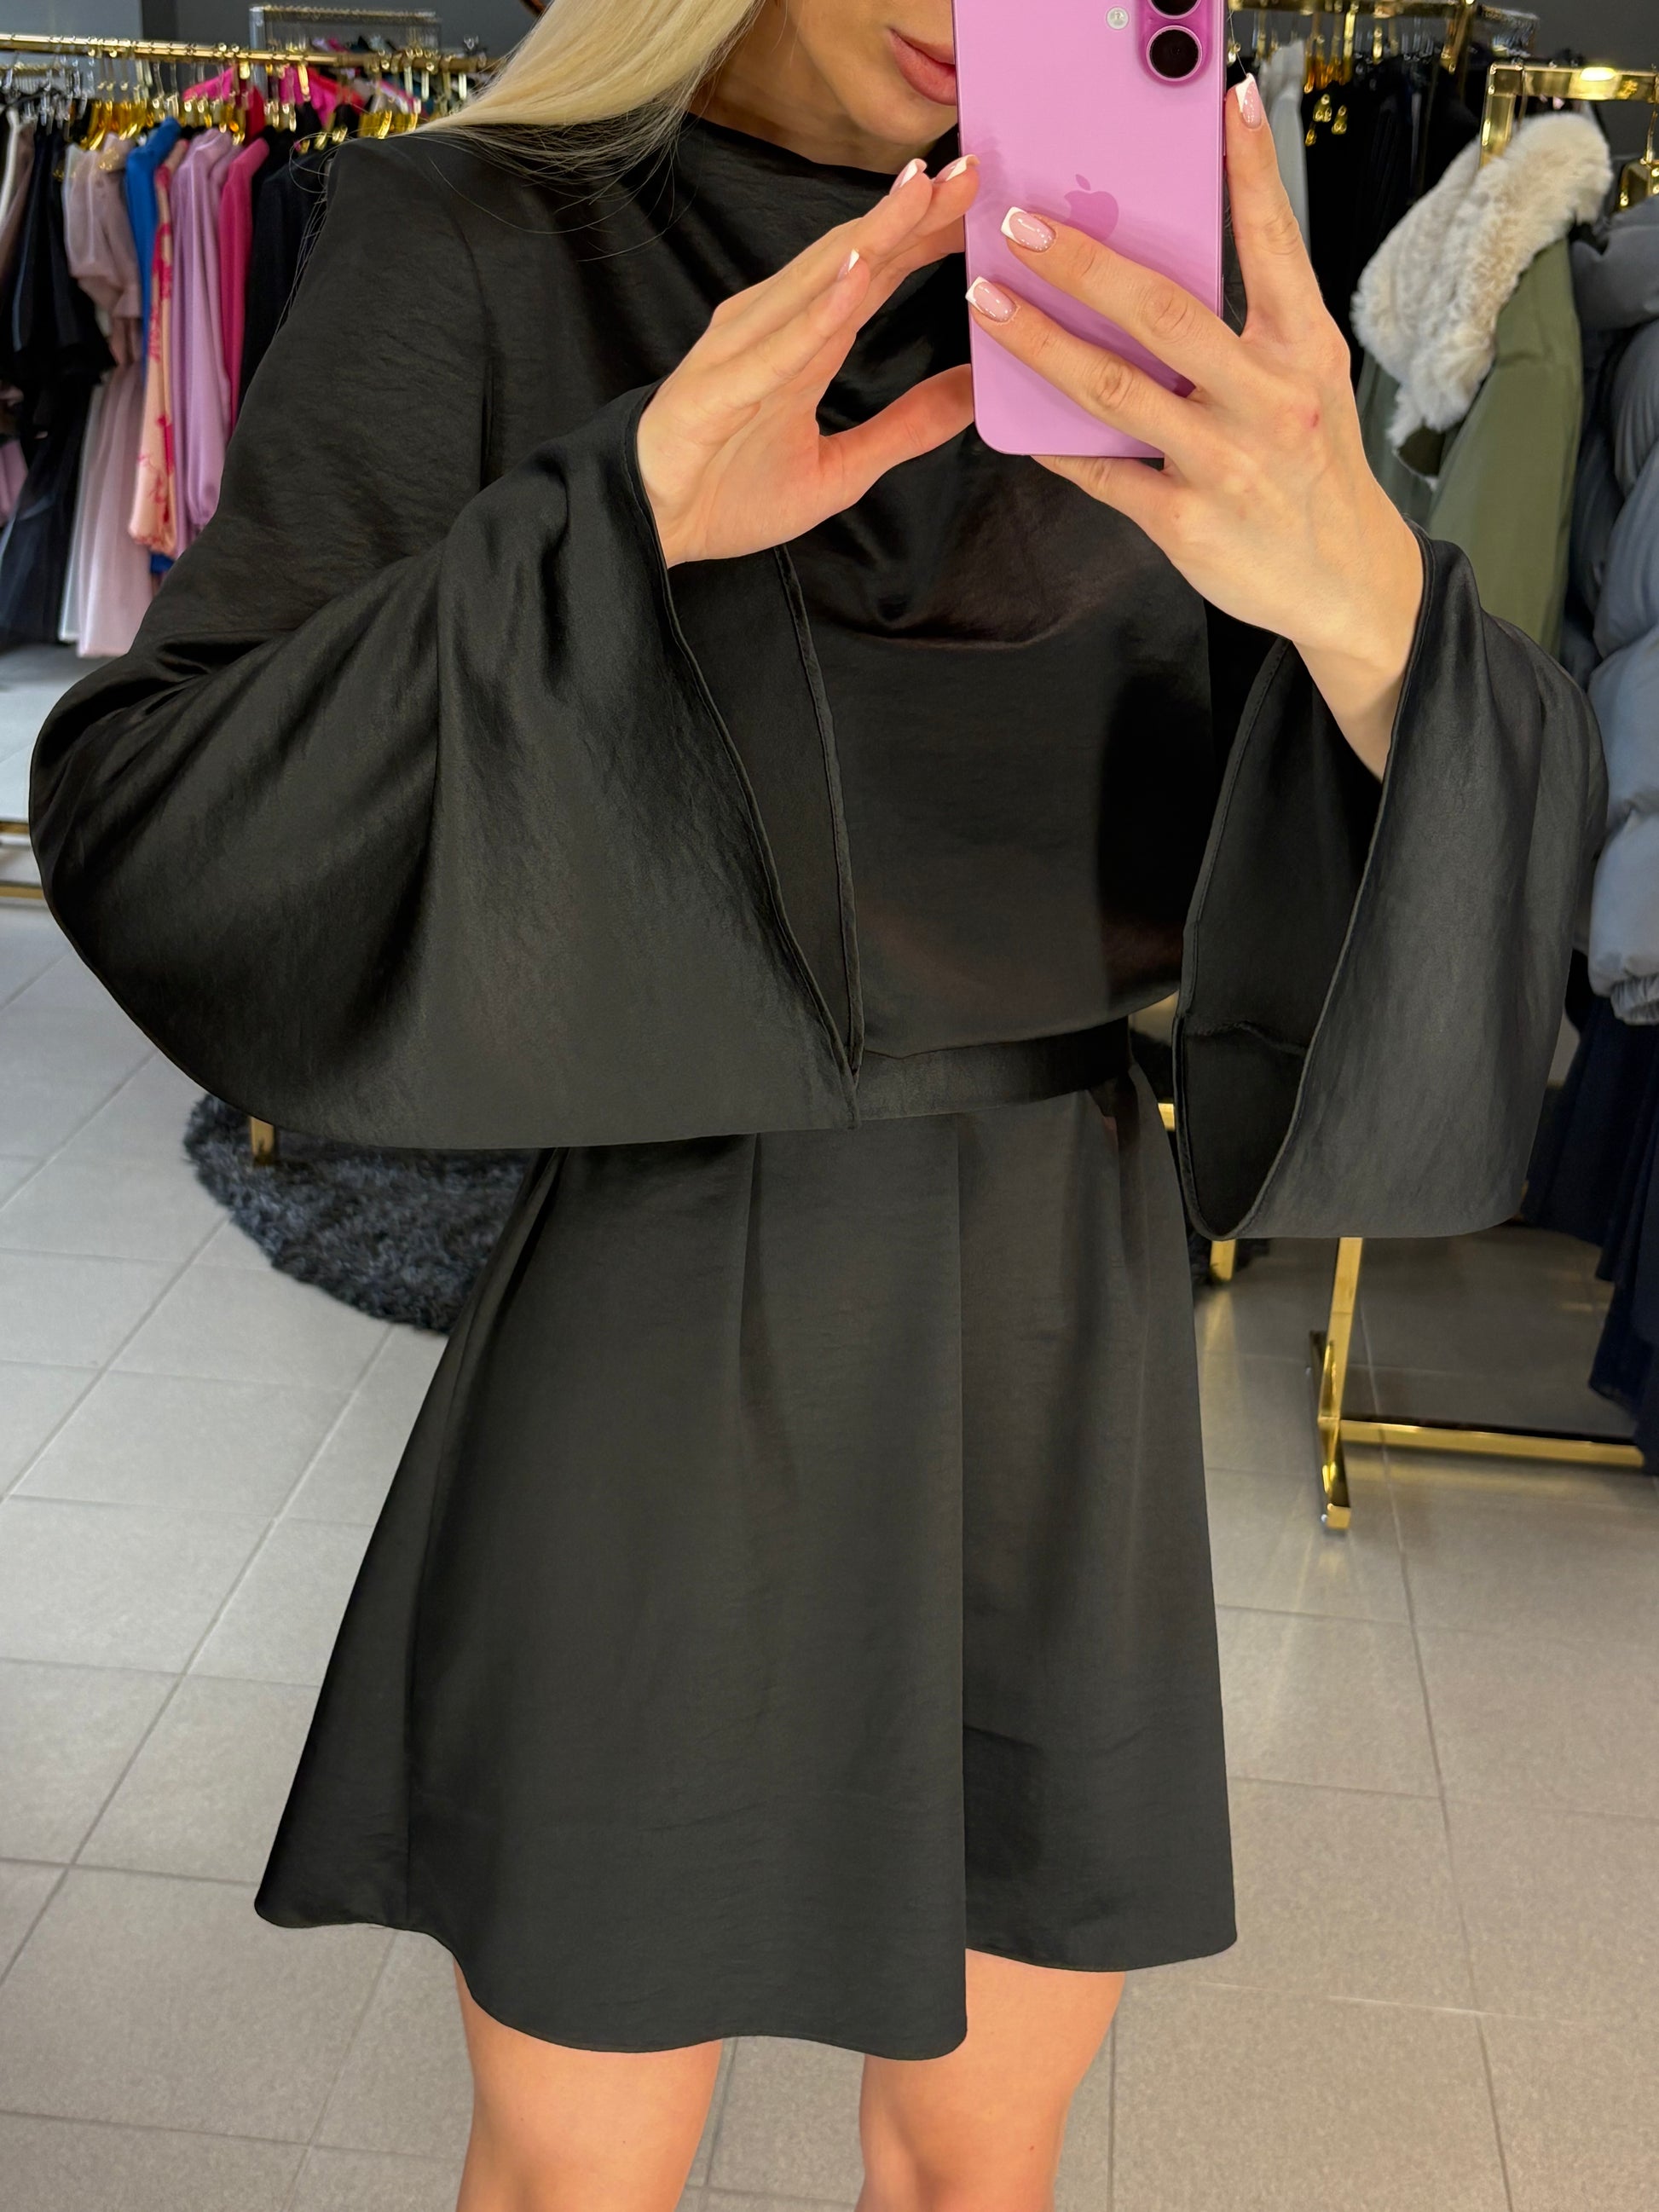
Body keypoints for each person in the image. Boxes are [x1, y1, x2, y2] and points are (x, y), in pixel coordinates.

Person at [29, 3, 1602, 2208]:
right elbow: (166, 824)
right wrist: (619, 513)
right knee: (576, 2169)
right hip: (661, 1298)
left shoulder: (1167, 282)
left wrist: (1359, 597)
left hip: (1052, 1300)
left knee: (980, 2161)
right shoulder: (478, 234)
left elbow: (1465, 871)